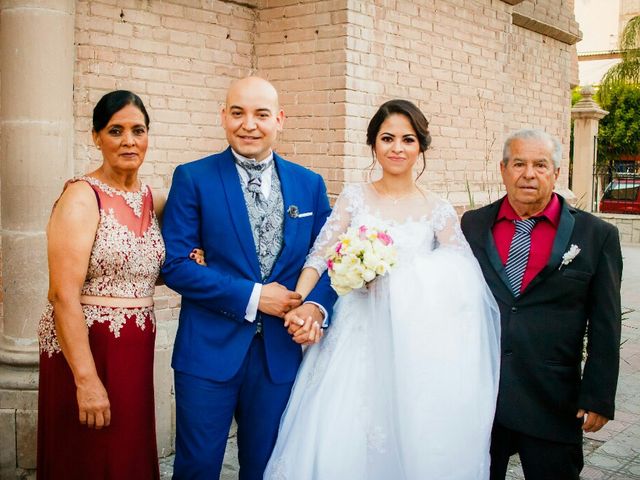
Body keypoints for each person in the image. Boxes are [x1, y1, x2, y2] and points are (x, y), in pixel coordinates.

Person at [264, 99, 501, 480]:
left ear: (420, 146)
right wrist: (301, 303)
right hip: (352, 334)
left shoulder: (437, 209)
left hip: (411, 339)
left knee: (405, 425)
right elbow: (320, 256)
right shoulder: (354, 198)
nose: (397, 148)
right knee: (340, 427)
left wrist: (402, 279)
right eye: (387, 138)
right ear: (373, 144)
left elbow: (463, 275)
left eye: (407, 139)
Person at [161, 76, 337, 480]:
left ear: (280, 120)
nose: (249, 124)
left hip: (279, 353)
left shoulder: (309, 184)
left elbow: (328, 259)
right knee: (198, 467)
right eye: (238, 113)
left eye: (261, 114)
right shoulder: (193, 178)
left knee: (267, 467)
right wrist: (256, 296)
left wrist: (314, 307)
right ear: (223, 117)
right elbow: (175, 264)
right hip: (207, 351)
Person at [460, 129, 623, 480]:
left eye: (540, 165)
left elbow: (606, 323)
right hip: (480, 397)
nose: (528, 174)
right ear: (503, 169)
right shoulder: (471, 226)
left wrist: (598, 395)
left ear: (556, 173)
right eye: (518, 163)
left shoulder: (596, 236)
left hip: (552, 399)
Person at [37, 90, 164, 479]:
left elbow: (151, 260)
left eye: (137, 130)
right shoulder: (81, 197)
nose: (129, 141)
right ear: (96, 137)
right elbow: (62, 295)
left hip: (136, 349)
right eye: (115, 130)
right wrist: (87, 380)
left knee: (126, 453)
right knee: (88, 455)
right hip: (87, 349)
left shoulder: (152, 199)